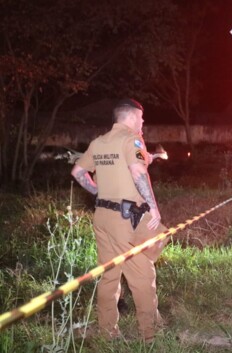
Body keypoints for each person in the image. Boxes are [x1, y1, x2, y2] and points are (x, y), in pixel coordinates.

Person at [71, 98, 166, 342]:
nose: (143, 123)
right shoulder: (131, 139)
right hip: (127, 219)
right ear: (133, 117)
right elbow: (138, 172)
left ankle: (107, 334)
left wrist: (99, 193)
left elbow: (78, 172)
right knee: (144, 275)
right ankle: (150, 335)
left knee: (109, 276)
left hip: (102, 217)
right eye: (142, 119)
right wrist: (153, 208)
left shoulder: (99, 142)